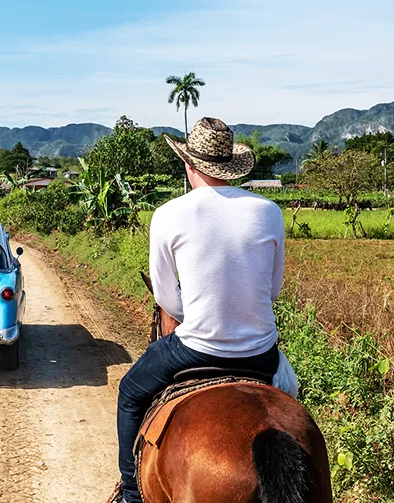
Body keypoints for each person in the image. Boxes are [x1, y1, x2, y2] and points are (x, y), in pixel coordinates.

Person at [112, 117, 299, 503]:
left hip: (195, 349)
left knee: (129, 392)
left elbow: (166, 298)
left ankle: (131, 495)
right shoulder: (269, 211)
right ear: (231, 167)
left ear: (189, 164)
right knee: (292, 403)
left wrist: (199, 314)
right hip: (262, 353)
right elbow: (272, 290)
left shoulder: (168, 214)